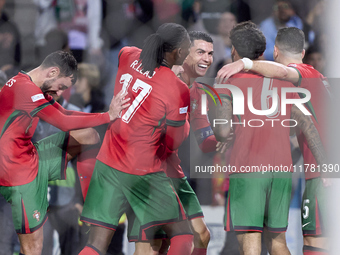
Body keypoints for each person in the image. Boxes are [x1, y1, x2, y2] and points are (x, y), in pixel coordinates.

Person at [78, 23, 193, 255]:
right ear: (178, 52)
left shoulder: (129, 55)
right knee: (184, 237)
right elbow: (173, 143)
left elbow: (126, 54)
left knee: (96, 245)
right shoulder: (177, 88)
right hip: (144, 172)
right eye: (188, 48)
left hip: (107, 163)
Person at [213, 21, 327, 255]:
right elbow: (306, 123)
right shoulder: (283, 82)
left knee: (250, 241)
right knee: (277, 242)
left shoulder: (228, 81)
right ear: (264, 52)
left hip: (248, 169)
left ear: (234, 50)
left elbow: (222, 131)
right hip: (282, 172)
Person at [0, 50, 129, 255]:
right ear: (52, 72)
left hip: (31, 156)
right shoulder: (26, 90)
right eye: (61, 87)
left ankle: (90, 207)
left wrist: (105, 116)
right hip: (18, 173)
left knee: (89, 136)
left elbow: (65, 112)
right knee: (33, 248)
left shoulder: (24, 82)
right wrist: (108, 116)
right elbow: (63, 121)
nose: (60, 93)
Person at [130, 30, 216, 255]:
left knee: (201, 235)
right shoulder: (161, 79)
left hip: (174, 170)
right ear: (184, 54)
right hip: (148, 169)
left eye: (210, 53)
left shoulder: (198, 92)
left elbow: (204, 139)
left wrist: (225, 137)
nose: (207, 58)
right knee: (155, 242)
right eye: (200, 52)